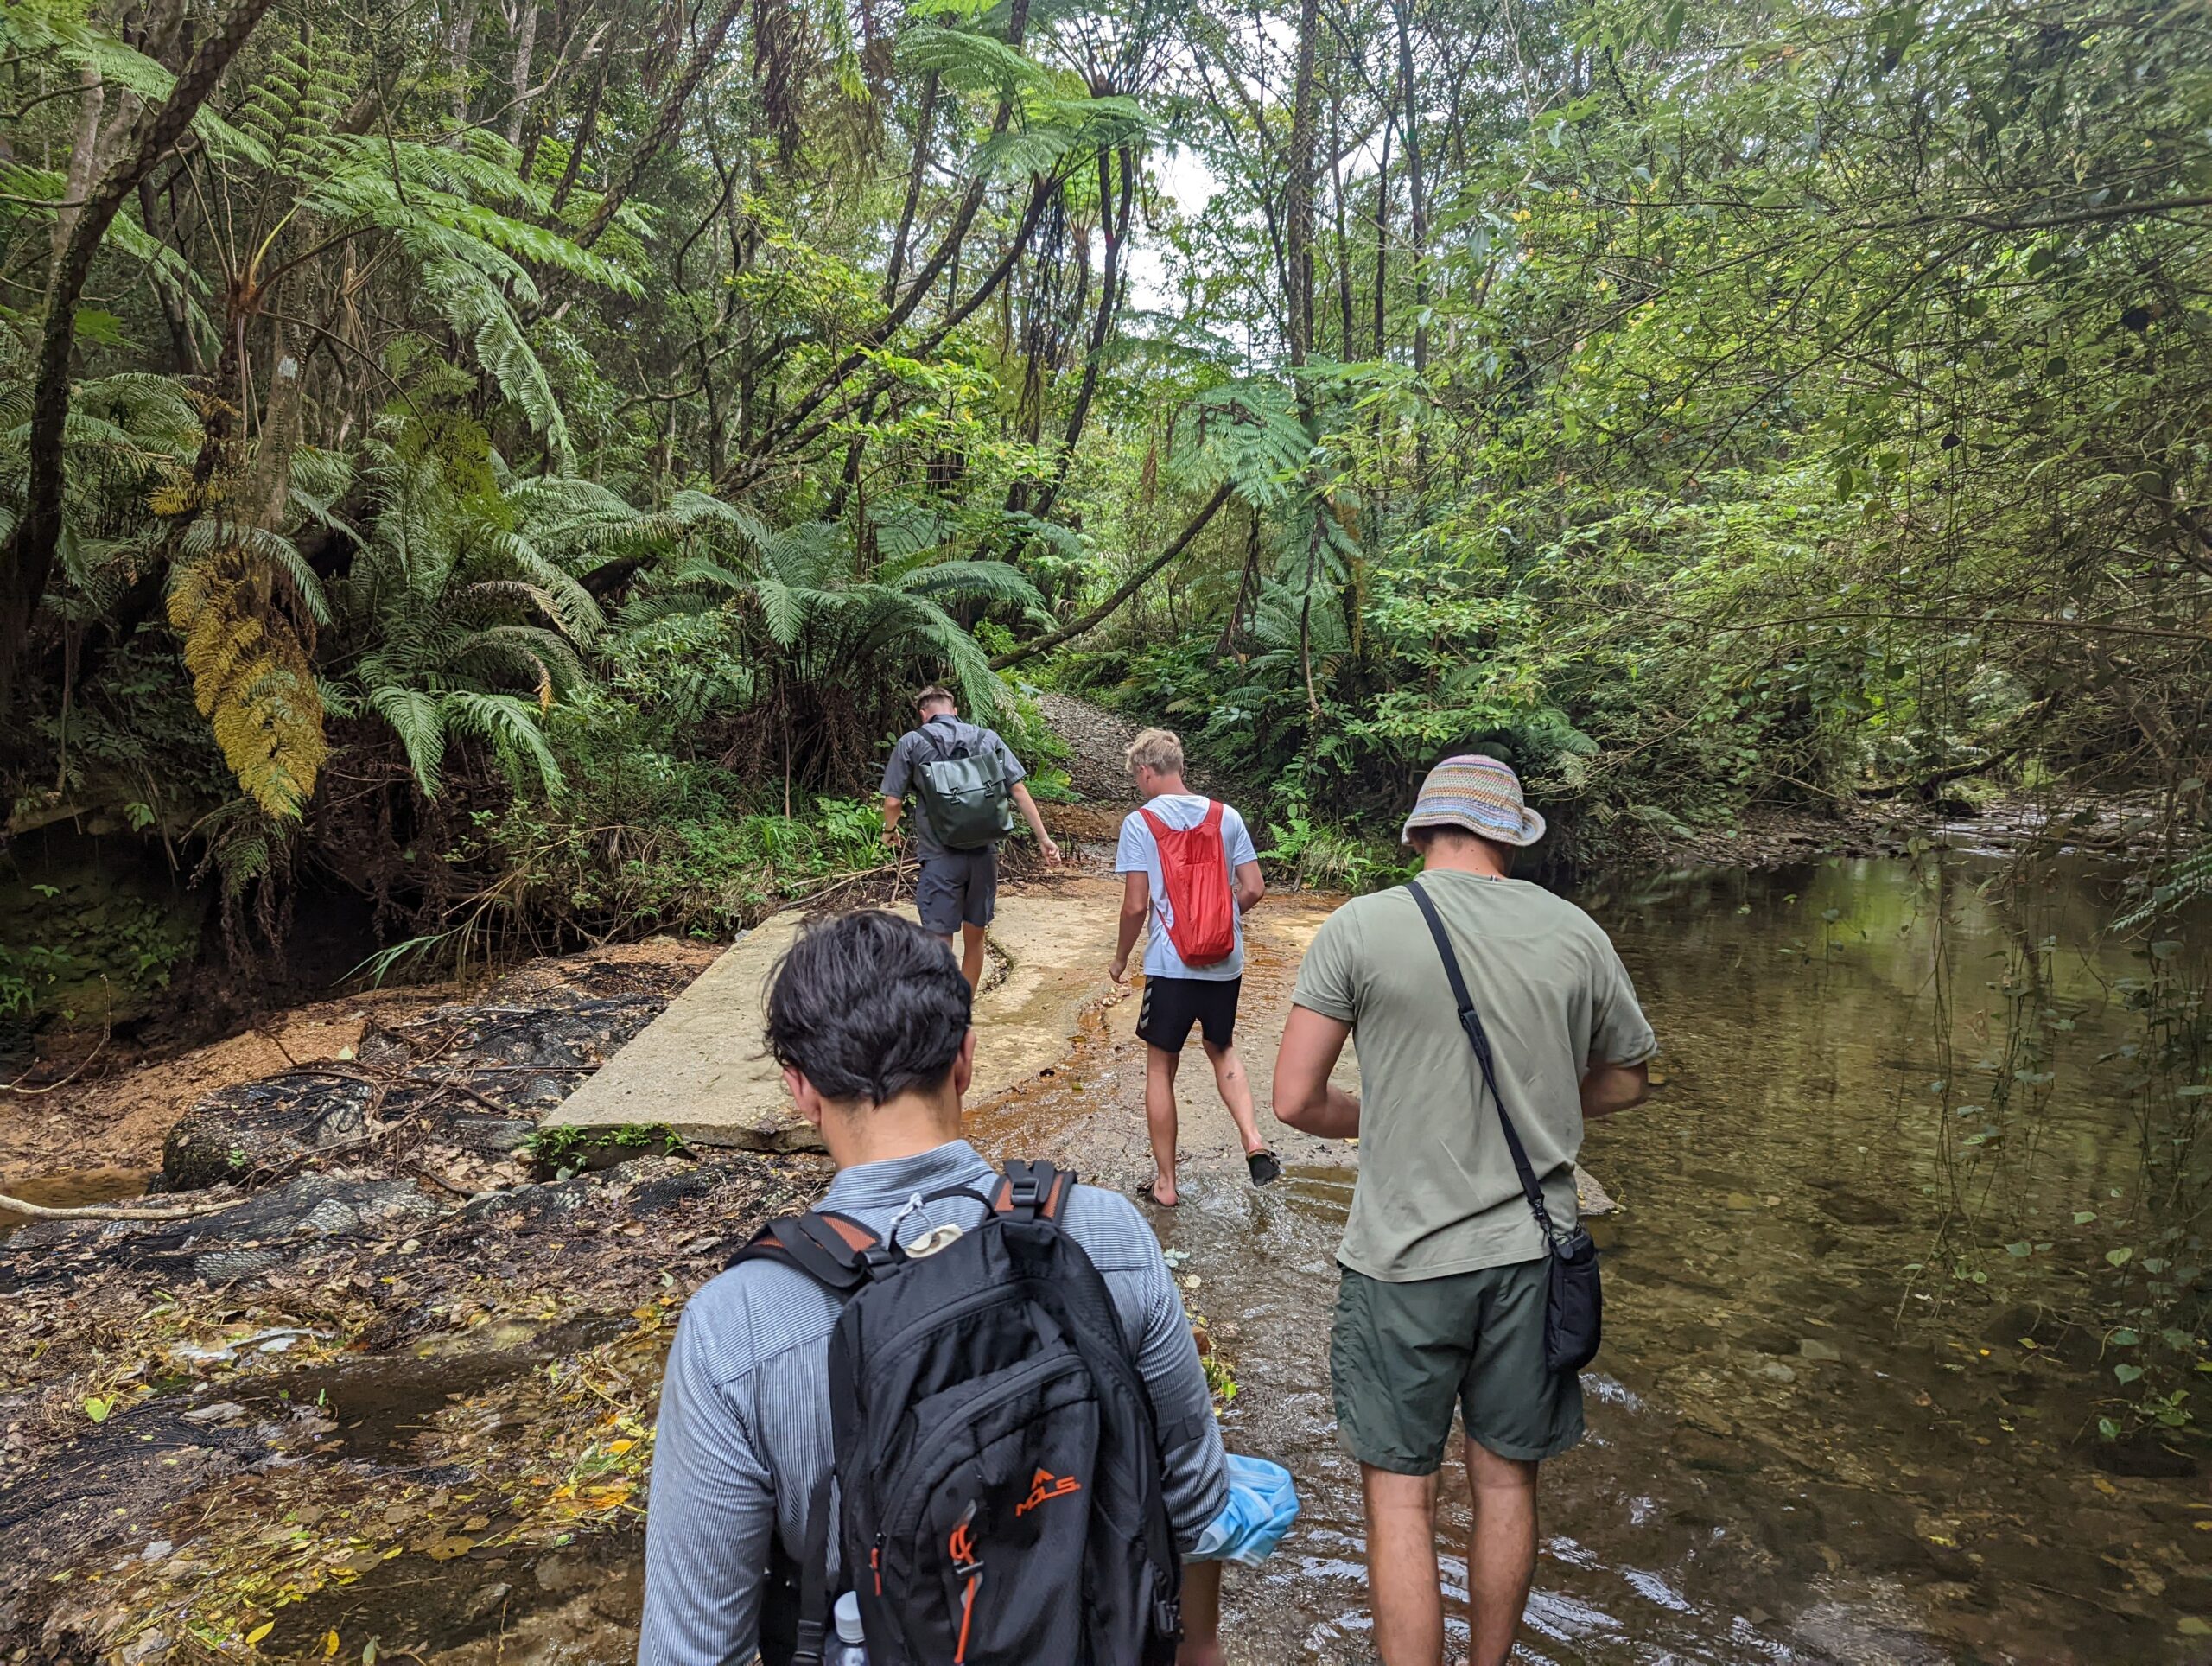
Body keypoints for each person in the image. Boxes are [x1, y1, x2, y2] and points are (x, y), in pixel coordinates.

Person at [639, 910, 1242, 1666]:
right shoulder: (1107, 1236)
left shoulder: (735, 1328)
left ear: (800, 1089)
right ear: (966, 1056)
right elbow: (1193, 1501)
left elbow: (693, 1652)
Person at [1270, 755, 1655, 1666]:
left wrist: (1394, 1111)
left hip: (1401, 1260)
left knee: (1401, 1496)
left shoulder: (1361, 926)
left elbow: (1294, 1098)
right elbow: (1628, 1080)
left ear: (1418, 833)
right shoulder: (1575, 932)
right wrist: (1536, 1104)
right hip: (1534, 1256)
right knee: (1506, 1479)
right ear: (1512, 839)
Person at [1109, 727, 1276, 1208]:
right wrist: (1221, 921)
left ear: (1145, 771)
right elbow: (1254, 888)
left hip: (1170, 965)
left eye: (1137, 777)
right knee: (1222, 1048)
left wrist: (1121, 957)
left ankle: (1166, 1183)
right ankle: (1253, 1140)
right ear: (1179, 766)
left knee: (1160, 1067)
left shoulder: (1140, 823)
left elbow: (1135, 905)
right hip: (1225, 964)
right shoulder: (1227, 817)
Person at [880, 684, 1061, 989]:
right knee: (975, 936)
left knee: (939, 940)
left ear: (923, 715)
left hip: (939, 855)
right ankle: (964, 1010)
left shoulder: (912, 742)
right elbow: (1017, 790)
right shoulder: (986, 738)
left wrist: (889, 831)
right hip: (983, 852)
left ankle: (943, 1013)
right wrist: (1044, 839)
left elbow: (893, 802)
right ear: (954, 711)